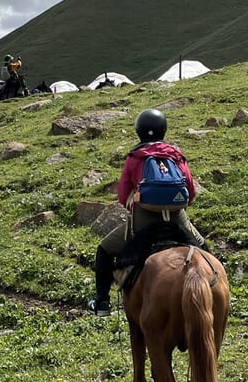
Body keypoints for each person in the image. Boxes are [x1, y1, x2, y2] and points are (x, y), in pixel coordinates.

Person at [87, 108, 208, 316]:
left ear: (139, 131)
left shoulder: (135, 158)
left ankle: (102, 303)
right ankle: (220, 293)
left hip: (144, 219)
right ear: (164, 130)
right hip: (177, 218)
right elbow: (190, 190)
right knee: (205, 250)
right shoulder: (176, 155)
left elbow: (123, 195)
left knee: (104, 250)